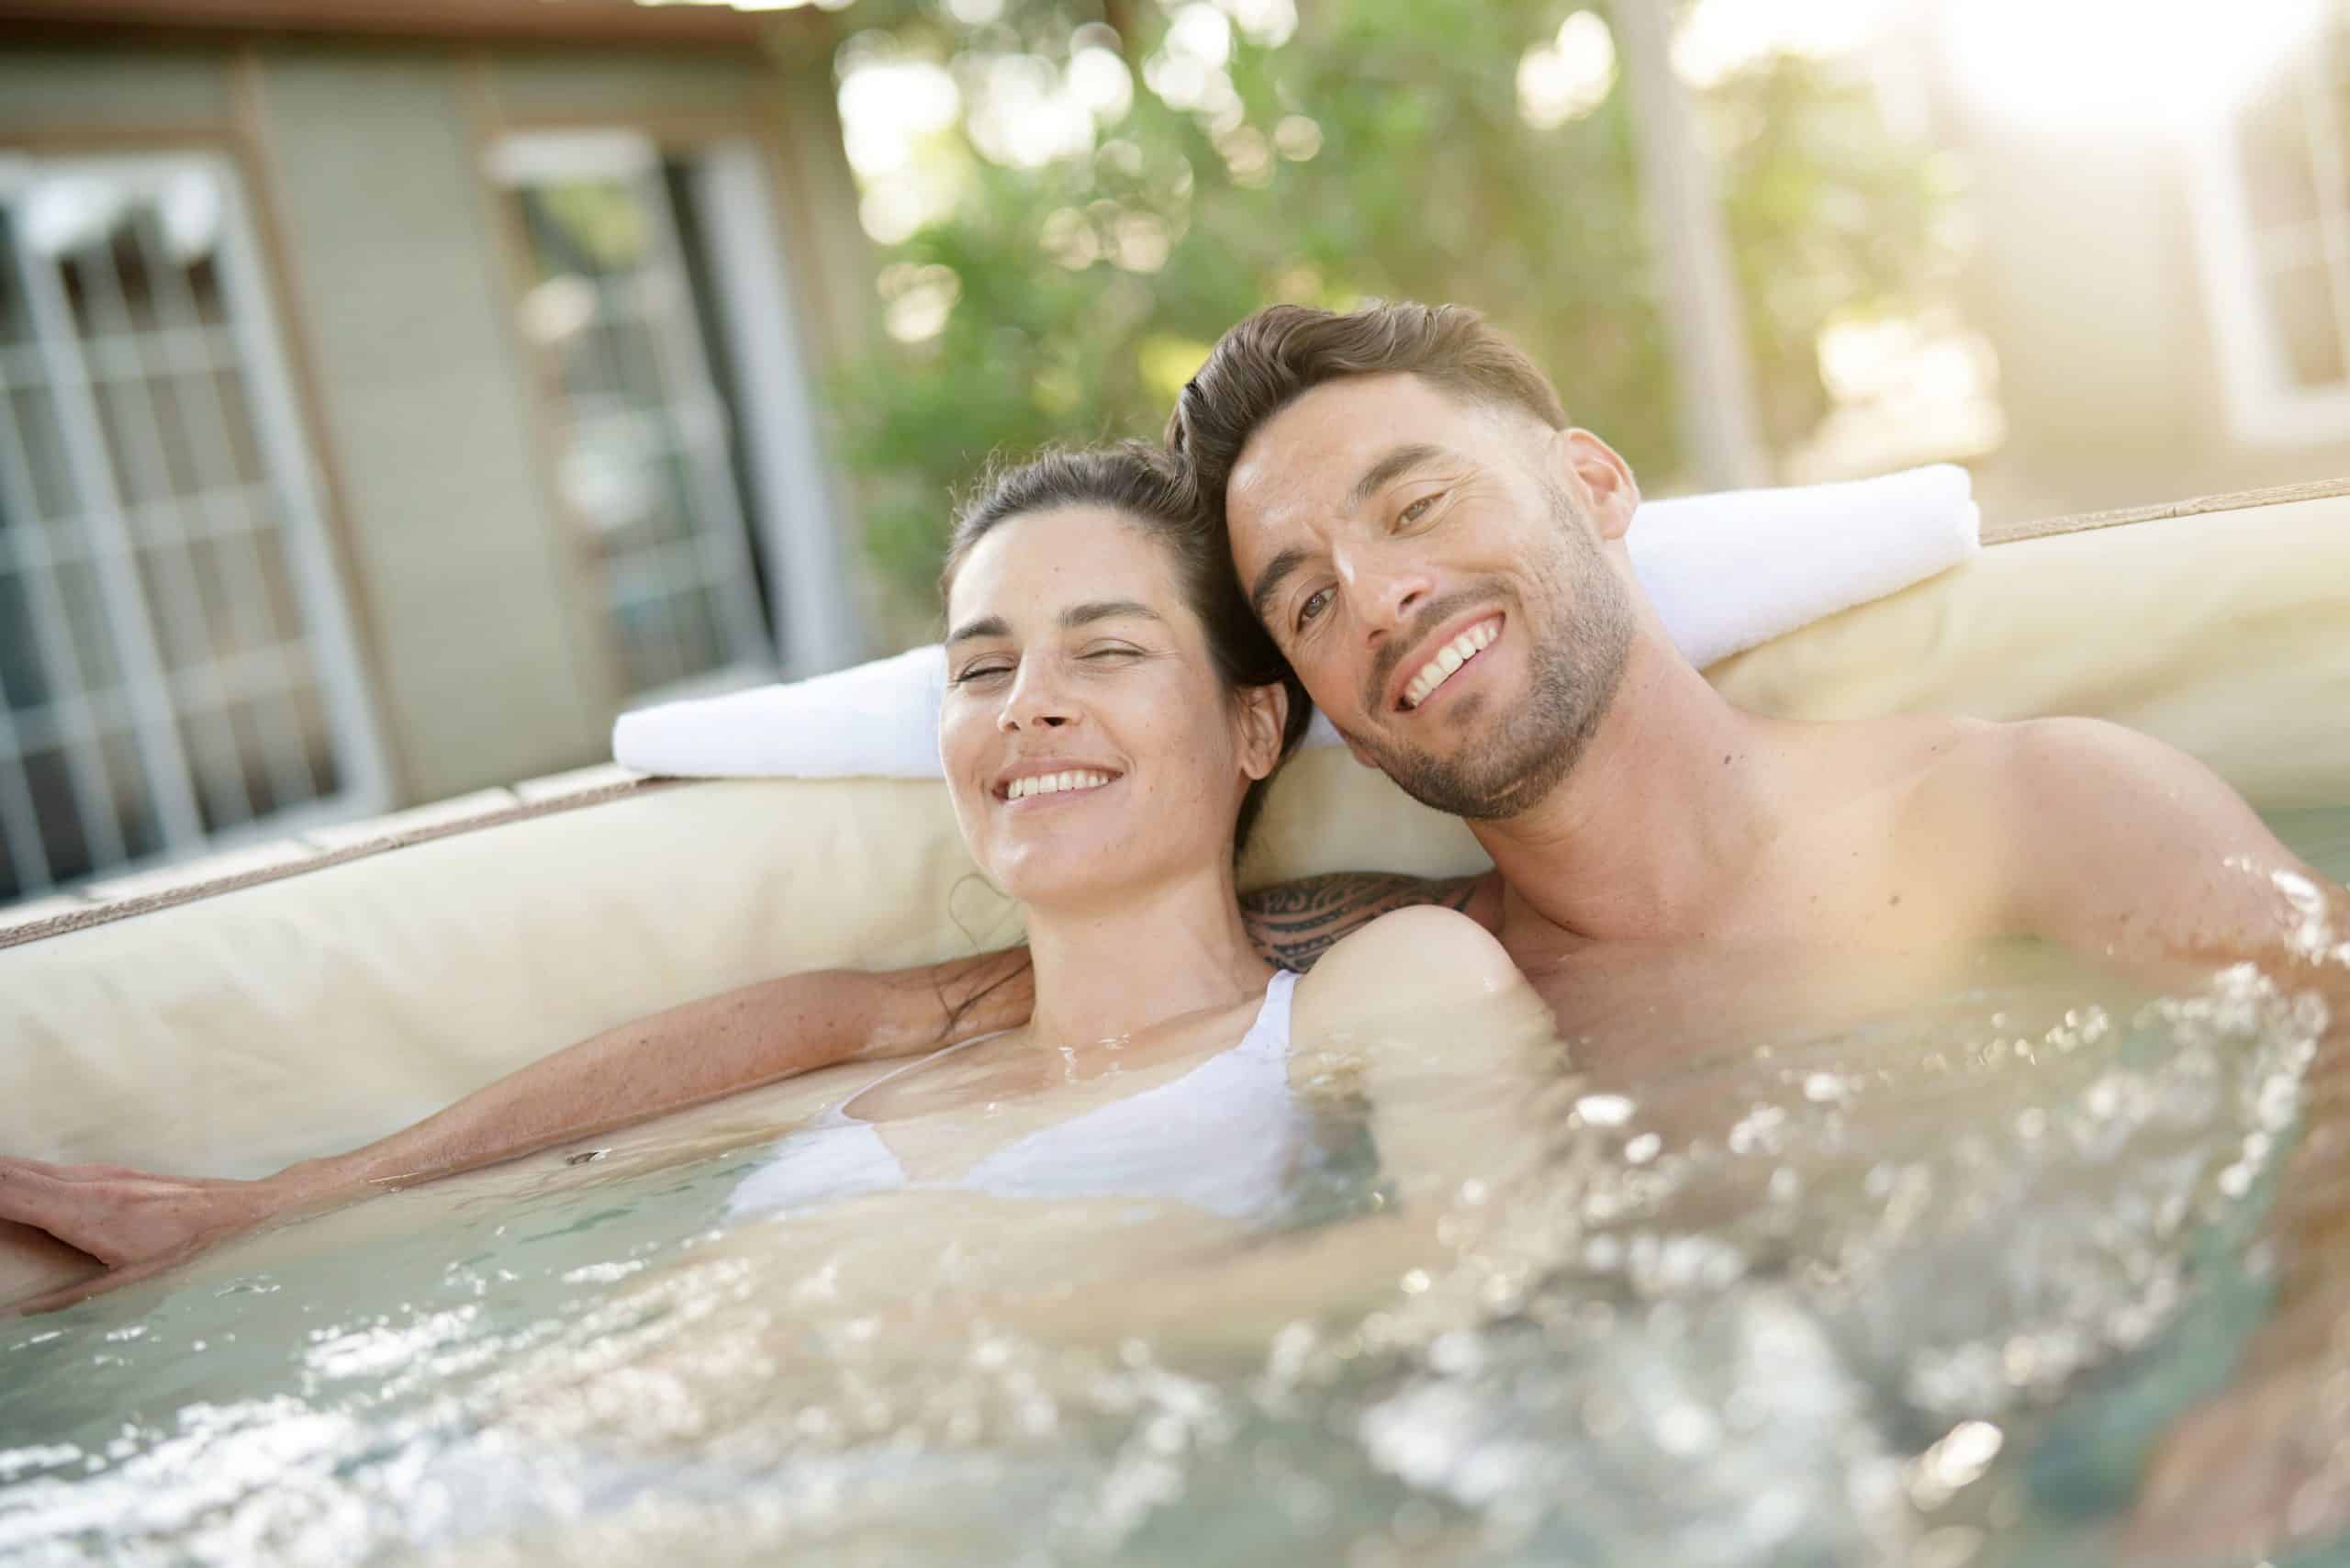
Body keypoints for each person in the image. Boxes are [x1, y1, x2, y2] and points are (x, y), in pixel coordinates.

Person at [0, 443, 1525, 1315]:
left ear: (1258, 722)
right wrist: (257, 1211)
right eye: (980, 668)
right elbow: (576, 1133)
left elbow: (1497, 1250)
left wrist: (947, 1317)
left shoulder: (1357, 996)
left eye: (1107, 650)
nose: (1026, 705)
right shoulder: (887, 1048)